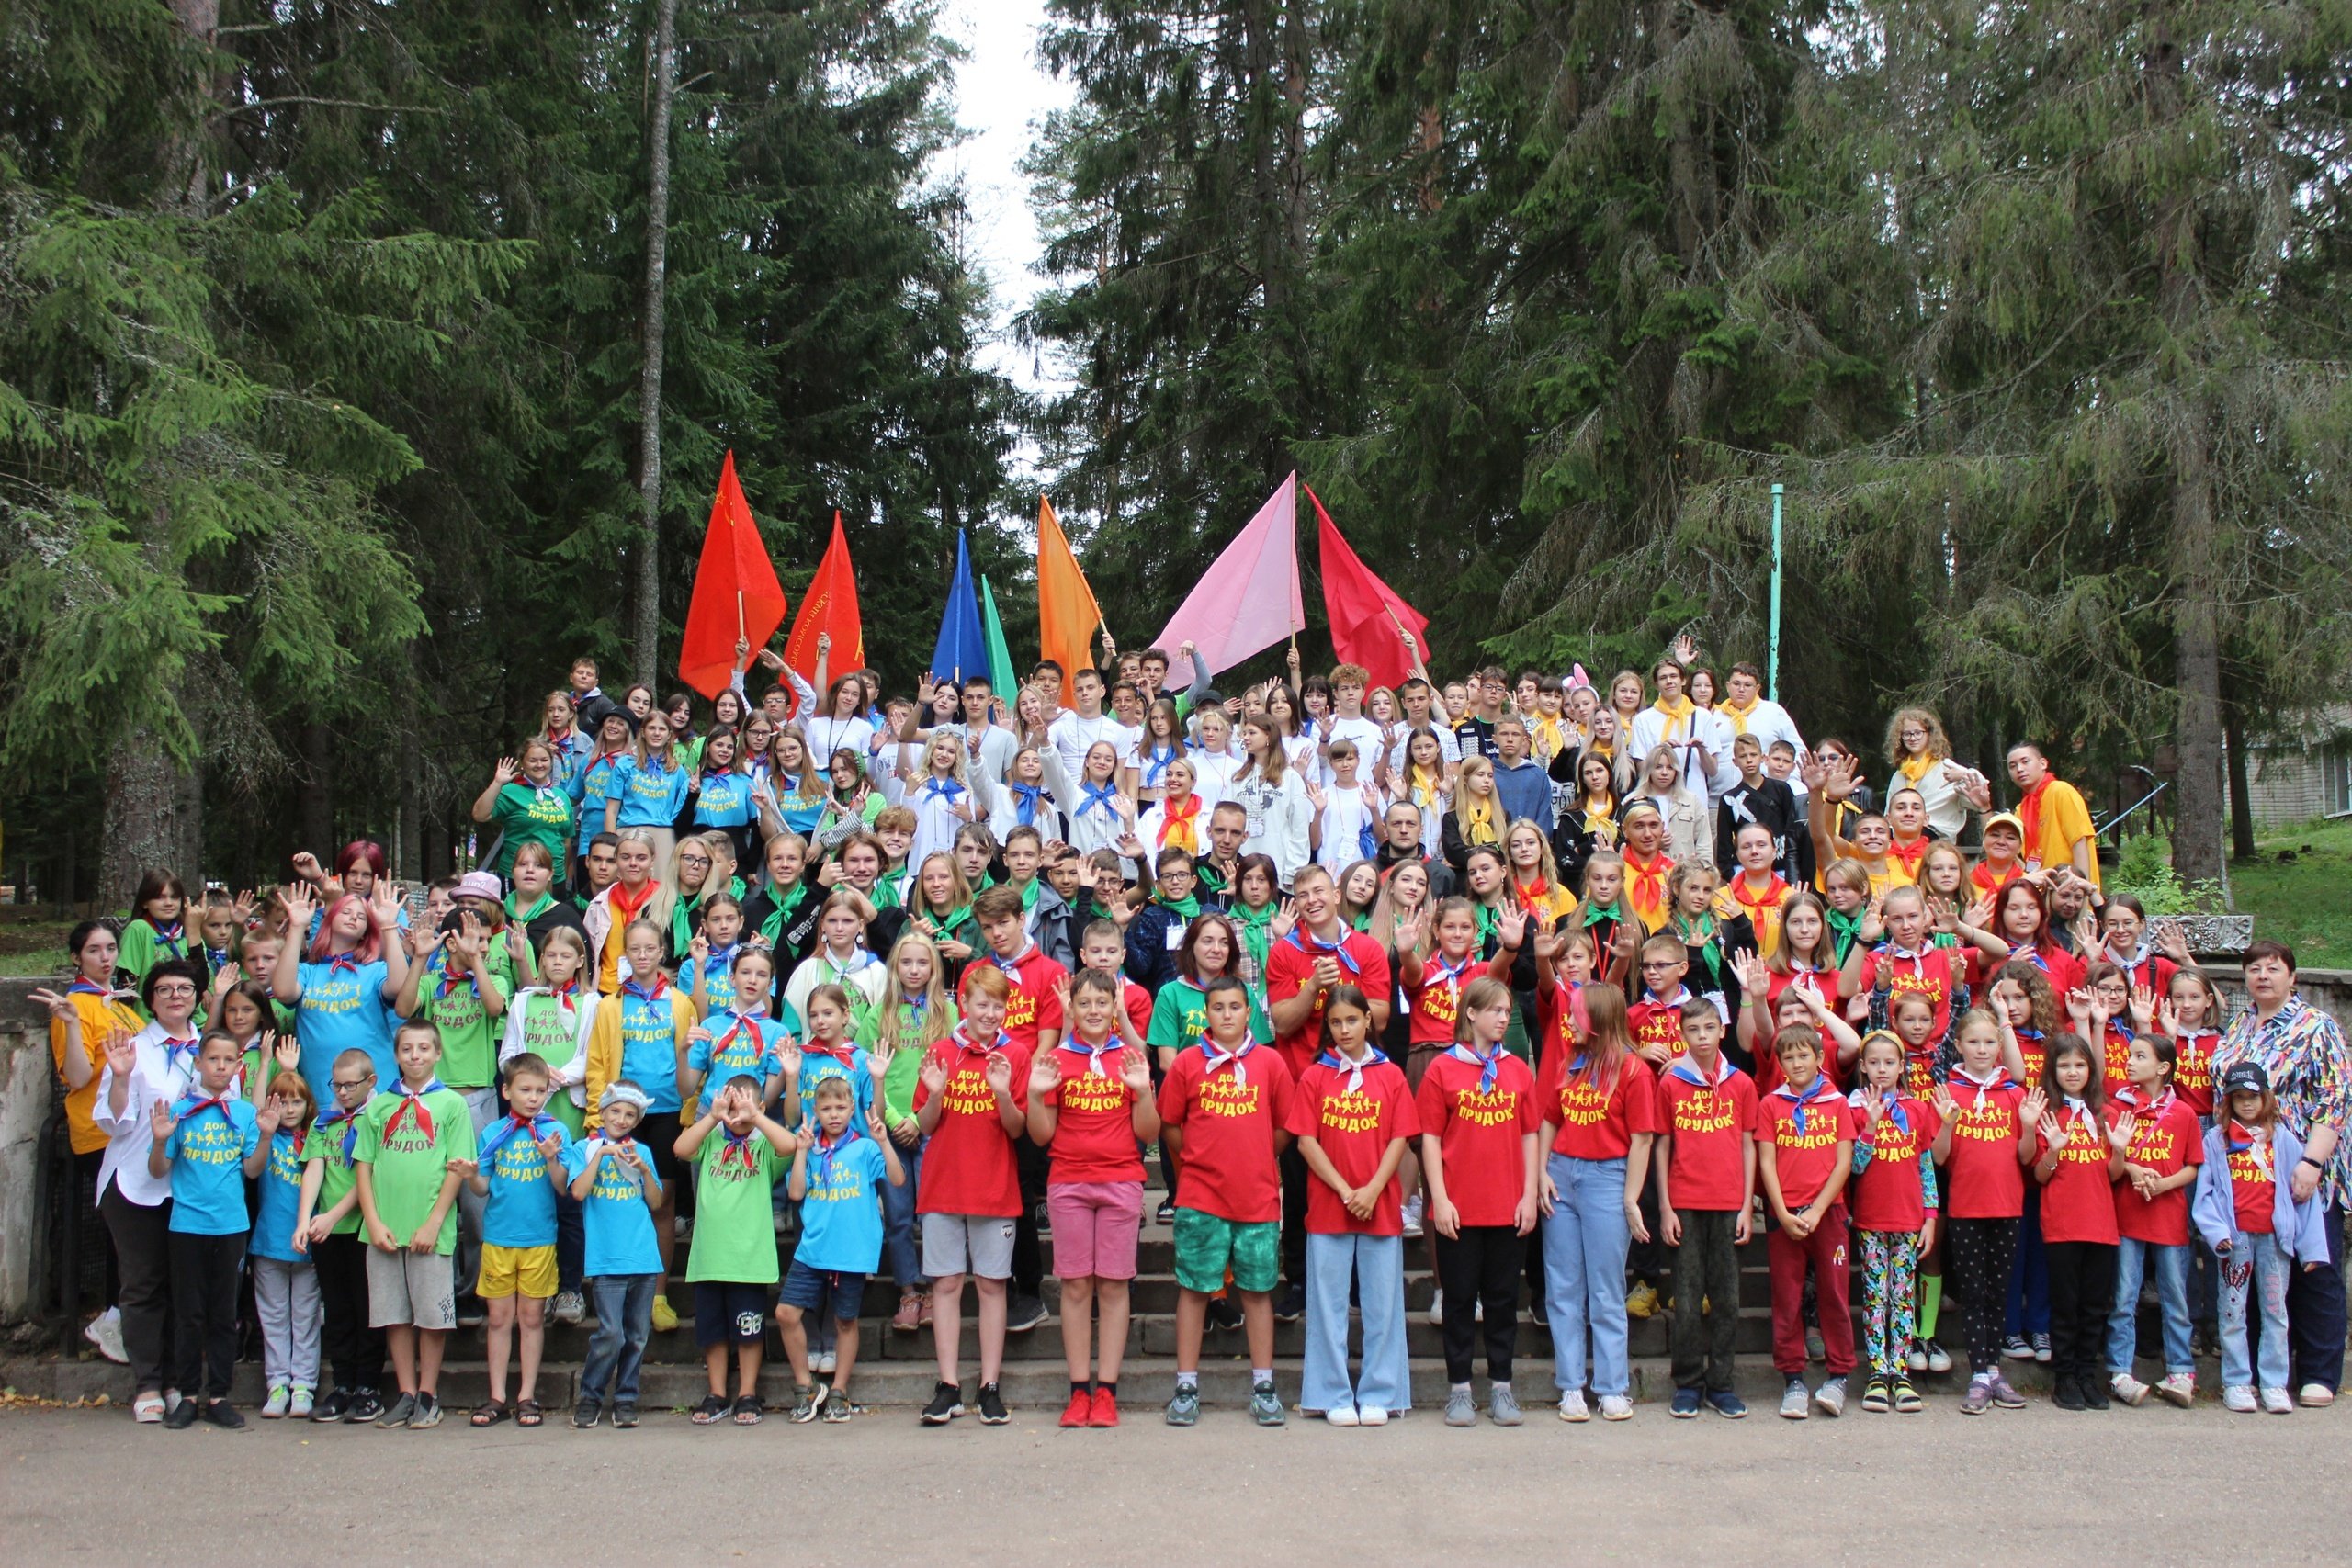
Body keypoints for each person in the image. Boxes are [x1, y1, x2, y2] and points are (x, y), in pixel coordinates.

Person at [2211, 939, 2349, 1405]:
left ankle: (2319, 1373)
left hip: (2302, 1170)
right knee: (2255, 1275)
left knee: (2314, 1266)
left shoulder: (2317, 1026)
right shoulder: (2240, 1025)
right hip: (2246, 1176)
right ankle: (2262, 1374)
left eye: (2273, 968)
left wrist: (2311, 1162)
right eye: (2254, 969)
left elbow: (2334, 1099)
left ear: (2292, 977)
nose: (2262, 976)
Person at [1158, 975, 1297, 1428]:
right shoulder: (1186, 1064)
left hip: (1256, 1198)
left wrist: (1254, 1157)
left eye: (1235, 1007)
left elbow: (1280, 1131)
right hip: (1200, 1198)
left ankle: (1263, 1384)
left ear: (1249, 1011)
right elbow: (1172, 1126)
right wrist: (1200, 1161)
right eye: (1217, 1008)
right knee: (1196, 1289)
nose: (1227, 1016)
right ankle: (1185, 1386)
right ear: (1207, 1013)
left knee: (1257, 1291)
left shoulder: (1271, 1064)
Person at [1028, 970, 1160, 1428]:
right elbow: (1041, 1136)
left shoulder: (1131, 1057)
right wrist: (1033, 1094)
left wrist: (1143, 1092)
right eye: (1083, 1004)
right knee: (1076, 1285)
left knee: (1113, 1284)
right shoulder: (1057, 1060)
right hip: (1068, 1182)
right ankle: (1077, 1390)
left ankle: (1106, 1391)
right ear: (1072, 1010)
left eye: (1102, 1003)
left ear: (1115, 1007)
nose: (1093, 1012)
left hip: (1121, 1178)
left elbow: (1148, 1132)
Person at [1264, 864, 1394, 1321]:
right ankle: (1298, 1279)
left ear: (1336, 894)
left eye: (1319, 890)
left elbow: (1380, 1014)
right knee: (1299, 1187)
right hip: (1303, 1084)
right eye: (1302, 894)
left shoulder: (1366, 949)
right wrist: (1312, 988)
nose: (1311, 899)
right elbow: (1281, 1021)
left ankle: (1359, 1283)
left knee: (1357, 1177)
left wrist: (1341, 990)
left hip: (1360, 1086)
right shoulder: (1284, 951)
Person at [1289, 984, 1419, 1427]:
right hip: (1329, 1207)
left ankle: (1382, 1392)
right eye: (1335, 1022)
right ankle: (1331, 1394)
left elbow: (1401, 1138)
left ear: (1368, 1020)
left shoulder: (1391, 1075)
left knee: (1383, 1306)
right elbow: (1306, 1142)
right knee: (1328, 1308)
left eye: (1351, 1020)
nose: (1344, 1029)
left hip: (1379, 1207)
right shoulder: (1315, 1076)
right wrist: (1347, 1191)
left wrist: (1372, 1190)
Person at [1416, 976, 1541, 1427]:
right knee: (1459, 1300)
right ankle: (1459, 1390)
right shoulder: (1442, 1070)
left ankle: (1503, 1388)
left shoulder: (1517, 1071)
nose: (1504, 1018)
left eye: (1508, 1011)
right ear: (1470, 1013)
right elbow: (1429, 1139)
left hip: (1507, 1204)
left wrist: (1529, 1193)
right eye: (1495, 1010)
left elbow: (1530, 1133)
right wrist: (1440, 1199)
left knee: (1504, 1299)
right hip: (1459, 1207)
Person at [1536, 981, 1660, 1421]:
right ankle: (1571, 1386)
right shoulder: (1571, 1063)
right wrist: (1540, 1172)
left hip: (1608, 1177)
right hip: (1562, 1176)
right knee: (1563, 1286)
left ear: (1597, 1020)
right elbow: (1550, 1119)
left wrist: (1631, 1199)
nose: (1568, 1021)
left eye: (1575, 1015)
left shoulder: (1633, 1071)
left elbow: (1642, 1139)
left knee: (1606, 1288)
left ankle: (1612, 1387)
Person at [912, 964, 1029, 1427]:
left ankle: (990, 1386)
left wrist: (1003, 1094)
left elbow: (1018, 1129)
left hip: (995, 1187)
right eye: (982, 1003)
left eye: (999, 1005)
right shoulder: (940, 1051)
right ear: (964, 1004)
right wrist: (936, 1095)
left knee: (991, 1285)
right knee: (944, 1284)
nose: (991, 1013)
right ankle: (947, 1385)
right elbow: (924, 1125)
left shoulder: (1015, 1054)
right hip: (943, 1185)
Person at [350, 1019, 474, 1430]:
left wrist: (434, 1222)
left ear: (438, 1053)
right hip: (384, 1228)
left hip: (429, 1229)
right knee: (394, 1315)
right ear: (396, 1055)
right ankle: (404, 1392)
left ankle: (427, 1393)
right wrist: (373, 1220)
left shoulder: (451, 1106)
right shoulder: (378, 1106)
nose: (415, 1056)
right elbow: (364, 1165)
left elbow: (455, 1170)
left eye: (424, 1048)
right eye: (407, 1049)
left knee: (430, 1316)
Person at [2193, 1060, 2333, 1414]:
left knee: (2275, 1310)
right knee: (2232, 1311)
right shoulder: (2215, 1140)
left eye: (2253, 1096)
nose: (2247, 1104)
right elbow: (2205, 1194)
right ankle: (2237, 1381)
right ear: (2228, 1102)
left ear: (2266, 1098)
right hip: (2234, 1239)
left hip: (2274, 1239)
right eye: (2238, 1098)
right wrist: (2216, 1232)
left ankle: (2273, 1382)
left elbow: (2303, 1197)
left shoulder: (2283, 1140)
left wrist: (2312, 1248)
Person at [141, 1031, 265, 1429]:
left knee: (223, 1312)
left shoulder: (244, 1112)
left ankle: (220, 1395)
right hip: (187, 1224)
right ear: (198, 1063)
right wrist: (160, 1142)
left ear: (237, 1066)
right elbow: (158, 1169)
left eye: (229, 1060)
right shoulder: (180, 1110)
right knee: (188, 1312)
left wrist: (264, 1134)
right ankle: (187, 1395)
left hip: (230, 1225)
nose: (221, 1067)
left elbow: (252, 1170)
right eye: (213, 1059)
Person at [582, 919, 695, 1332]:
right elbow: (597, 1065)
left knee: (662, 1204)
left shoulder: (681, 1003)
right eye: (635, 949)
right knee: (617, 1200)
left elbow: (692, 1061)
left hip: (667, 1112)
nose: (643, 955)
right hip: (622, 1115)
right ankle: (618, 1291)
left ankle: (659, 1295)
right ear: (624, 955)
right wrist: (599, 1115)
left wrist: (690, 1109)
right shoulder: (610, 1005)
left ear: (662, 952)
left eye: (650, 948)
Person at [777, 1070, 902, 1423]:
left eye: (840, 1107)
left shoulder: (863, 1148)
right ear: (815, 1111)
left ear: (851, 1110)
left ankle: (839, 1391)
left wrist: (883, 1141)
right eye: (826, 1108)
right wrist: (801, 1152)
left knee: (846, 1320)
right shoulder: (810, 1148)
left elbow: (897, 1179)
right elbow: (796, 1193)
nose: (833, 1114)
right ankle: (806, 1386)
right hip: (813, 1247)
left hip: (852, 1249)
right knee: (786, 1313)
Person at [1654, 995, 1757, 1418]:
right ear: (1681, 1035)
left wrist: (1749, 1206)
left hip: (1729, 1203)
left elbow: (1749, 1144)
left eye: (1709, 1029)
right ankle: (1689, 1382)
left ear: (1722, 1031)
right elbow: (1662, 1146)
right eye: (1692, 1030)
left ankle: (1722, 1383)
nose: (1702, 1038)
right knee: (1687, 1297)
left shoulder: (1741, 1084)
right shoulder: (1671, 1083)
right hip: (1685, 1204)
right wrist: (1664, 1207)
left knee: (1728, 1299)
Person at [1933, 1007, 2039, 1413]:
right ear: (1958, 1046)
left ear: (2000, 1047)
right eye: (1973, 1042)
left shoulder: (2013, 1093)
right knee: (1974, 1294)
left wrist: (2028, 1126)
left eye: (1989, 1042)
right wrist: (1946, 1124)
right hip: (1965, 1209)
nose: (1982, 1049)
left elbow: (2026, 1157)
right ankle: (1978, 1374)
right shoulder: (1949, 1092)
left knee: (1999, 1292)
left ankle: (1994, 1370)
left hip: (2008, 1207)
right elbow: (1940, 1158)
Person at [1756, 1023, 1858, 1418]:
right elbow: (1767, 1161)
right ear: (1779, 1063)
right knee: (1787, 1295)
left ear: (1819, 1059)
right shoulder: (1771, 1105)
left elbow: (1843, 1161)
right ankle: (1792, 1377)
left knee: (1833, 1292)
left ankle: (1838, 1375)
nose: (1797, 1063)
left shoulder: (1836, 1103)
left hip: (1827, 1213)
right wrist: (1780, 1212)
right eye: (1789, 1057)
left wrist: (1817, 1209)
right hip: (1784, 1214)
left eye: (1804, 1056)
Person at [2105, 1032, 2202, 1410]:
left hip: (2169, 1217)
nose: (2129, 1062)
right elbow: (2109, 1158)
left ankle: (2181, 1371)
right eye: (2129, 1054)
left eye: (2139, 1056)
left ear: (2163, 1068)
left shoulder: (2183, 1113)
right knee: (2124, 1297)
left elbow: (2193, 1166)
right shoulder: (2119, 1107)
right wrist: (2131, 1168)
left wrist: (2163, 1184)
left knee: (2175, 1297)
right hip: (2128, 1216)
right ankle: (2120, 1371)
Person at [563, 1080, 665, 1428]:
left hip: (643, 1256)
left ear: (637, 1120)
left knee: (636, 1335)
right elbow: (578, 1192)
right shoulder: (584, 1149)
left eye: (629, 1115)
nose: (621, 1120)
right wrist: (602, 1155)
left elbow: (655, 1202)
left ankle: (625, 1398)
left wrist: (644, 1169)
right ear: (602, 1112)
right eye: (615, 1111)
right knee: (611, 1333)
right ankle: (590, 1396)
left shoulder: (643, 1152)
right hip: (606, 1257)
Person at [2027, 1032, 2120, 1410]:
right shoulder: (2048, 1114)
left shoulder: (2106, 1114)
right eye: (2064, 1065)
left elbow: (2113, 1176)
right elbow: (2039, 1176)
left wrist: (2122, 1151)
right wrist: (2054, 1151)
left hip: (2102, 1224)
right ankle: (2064, 1377)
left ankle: (2087, 1374)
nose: (2072, 1071)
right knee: (2065, 1304)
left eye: (2080, 1065)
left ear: (2091, 1069)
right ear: (2053, 1070)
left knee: (2095, 1305)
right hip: (2063, 1223)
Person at [1847, 1030, 1938, 1413]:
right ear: (1863, 1067)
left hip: (1908, 1218)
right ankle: (1877, 1373)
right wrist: (1869, 1127)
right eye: (1874, 1063)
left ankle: (1900, 1372)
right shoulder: (1855, 1110)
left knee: (1901, 1295)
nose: (1881, 1070)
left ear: (1902, 1067)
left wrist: (1930, 1217)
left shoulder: (1916, 1110)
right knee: (1875, 1296)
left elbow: (1926, 1167)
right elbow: (1854, 1166)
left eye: (1889, 1063)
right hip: (1871, 1218)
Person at [292, 1047, 385, 1422]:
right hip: (327, 1230)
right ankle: (342, 1384)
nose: (343, 1092)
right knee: (338, 1307)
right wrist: (306, 1219)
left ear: (370, 1082)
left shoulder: (377, 1117)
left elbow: (370, 1175)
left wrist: (332, 1215)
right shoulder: (325, 1121)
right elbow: (314, 1168)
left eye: (351, 1085)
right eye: (337, 1085)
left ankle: (368, 1386)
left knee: (366, 1308)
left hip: (361, 1227)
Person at [275, 881, 411, 1111]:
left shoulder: (374, 970)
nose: (353, 918)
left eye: (362, 917)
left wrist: (388, 926)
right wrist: (297, 927)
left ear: (366, 931)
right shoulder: (308, 972)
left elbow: (400, 989)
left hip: (376, 1095)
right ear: (329, 921)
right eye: (346, 912)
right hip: (322, 1093)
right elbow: (283, 991)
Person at [248, 1070, 322, 1419]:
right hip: (269, 1242)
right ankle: (277, 1383)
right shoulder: (266, 1139)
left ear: (308, 1104)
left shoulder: (317, 1139)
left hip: (307, 1246)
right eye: (283, 1101)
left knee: (305, 1316)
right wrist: (266, 1062)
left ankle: (304, 1384)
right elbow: (253, 1163)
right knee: (274, 1316)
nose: (290, 1109)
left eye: (297, 1101)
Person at [2004, 743, 2099, 887]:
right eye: (2012, 766)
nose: (2019, 769)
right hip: (2046, 893)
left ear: (2043, 763)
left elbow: (2079, 841)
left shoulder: (2060, 791)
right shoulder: (2021, 810)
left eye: (2025, 761)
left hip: (2071, 890)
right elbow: (2012, 852)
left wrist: (2081, 888)